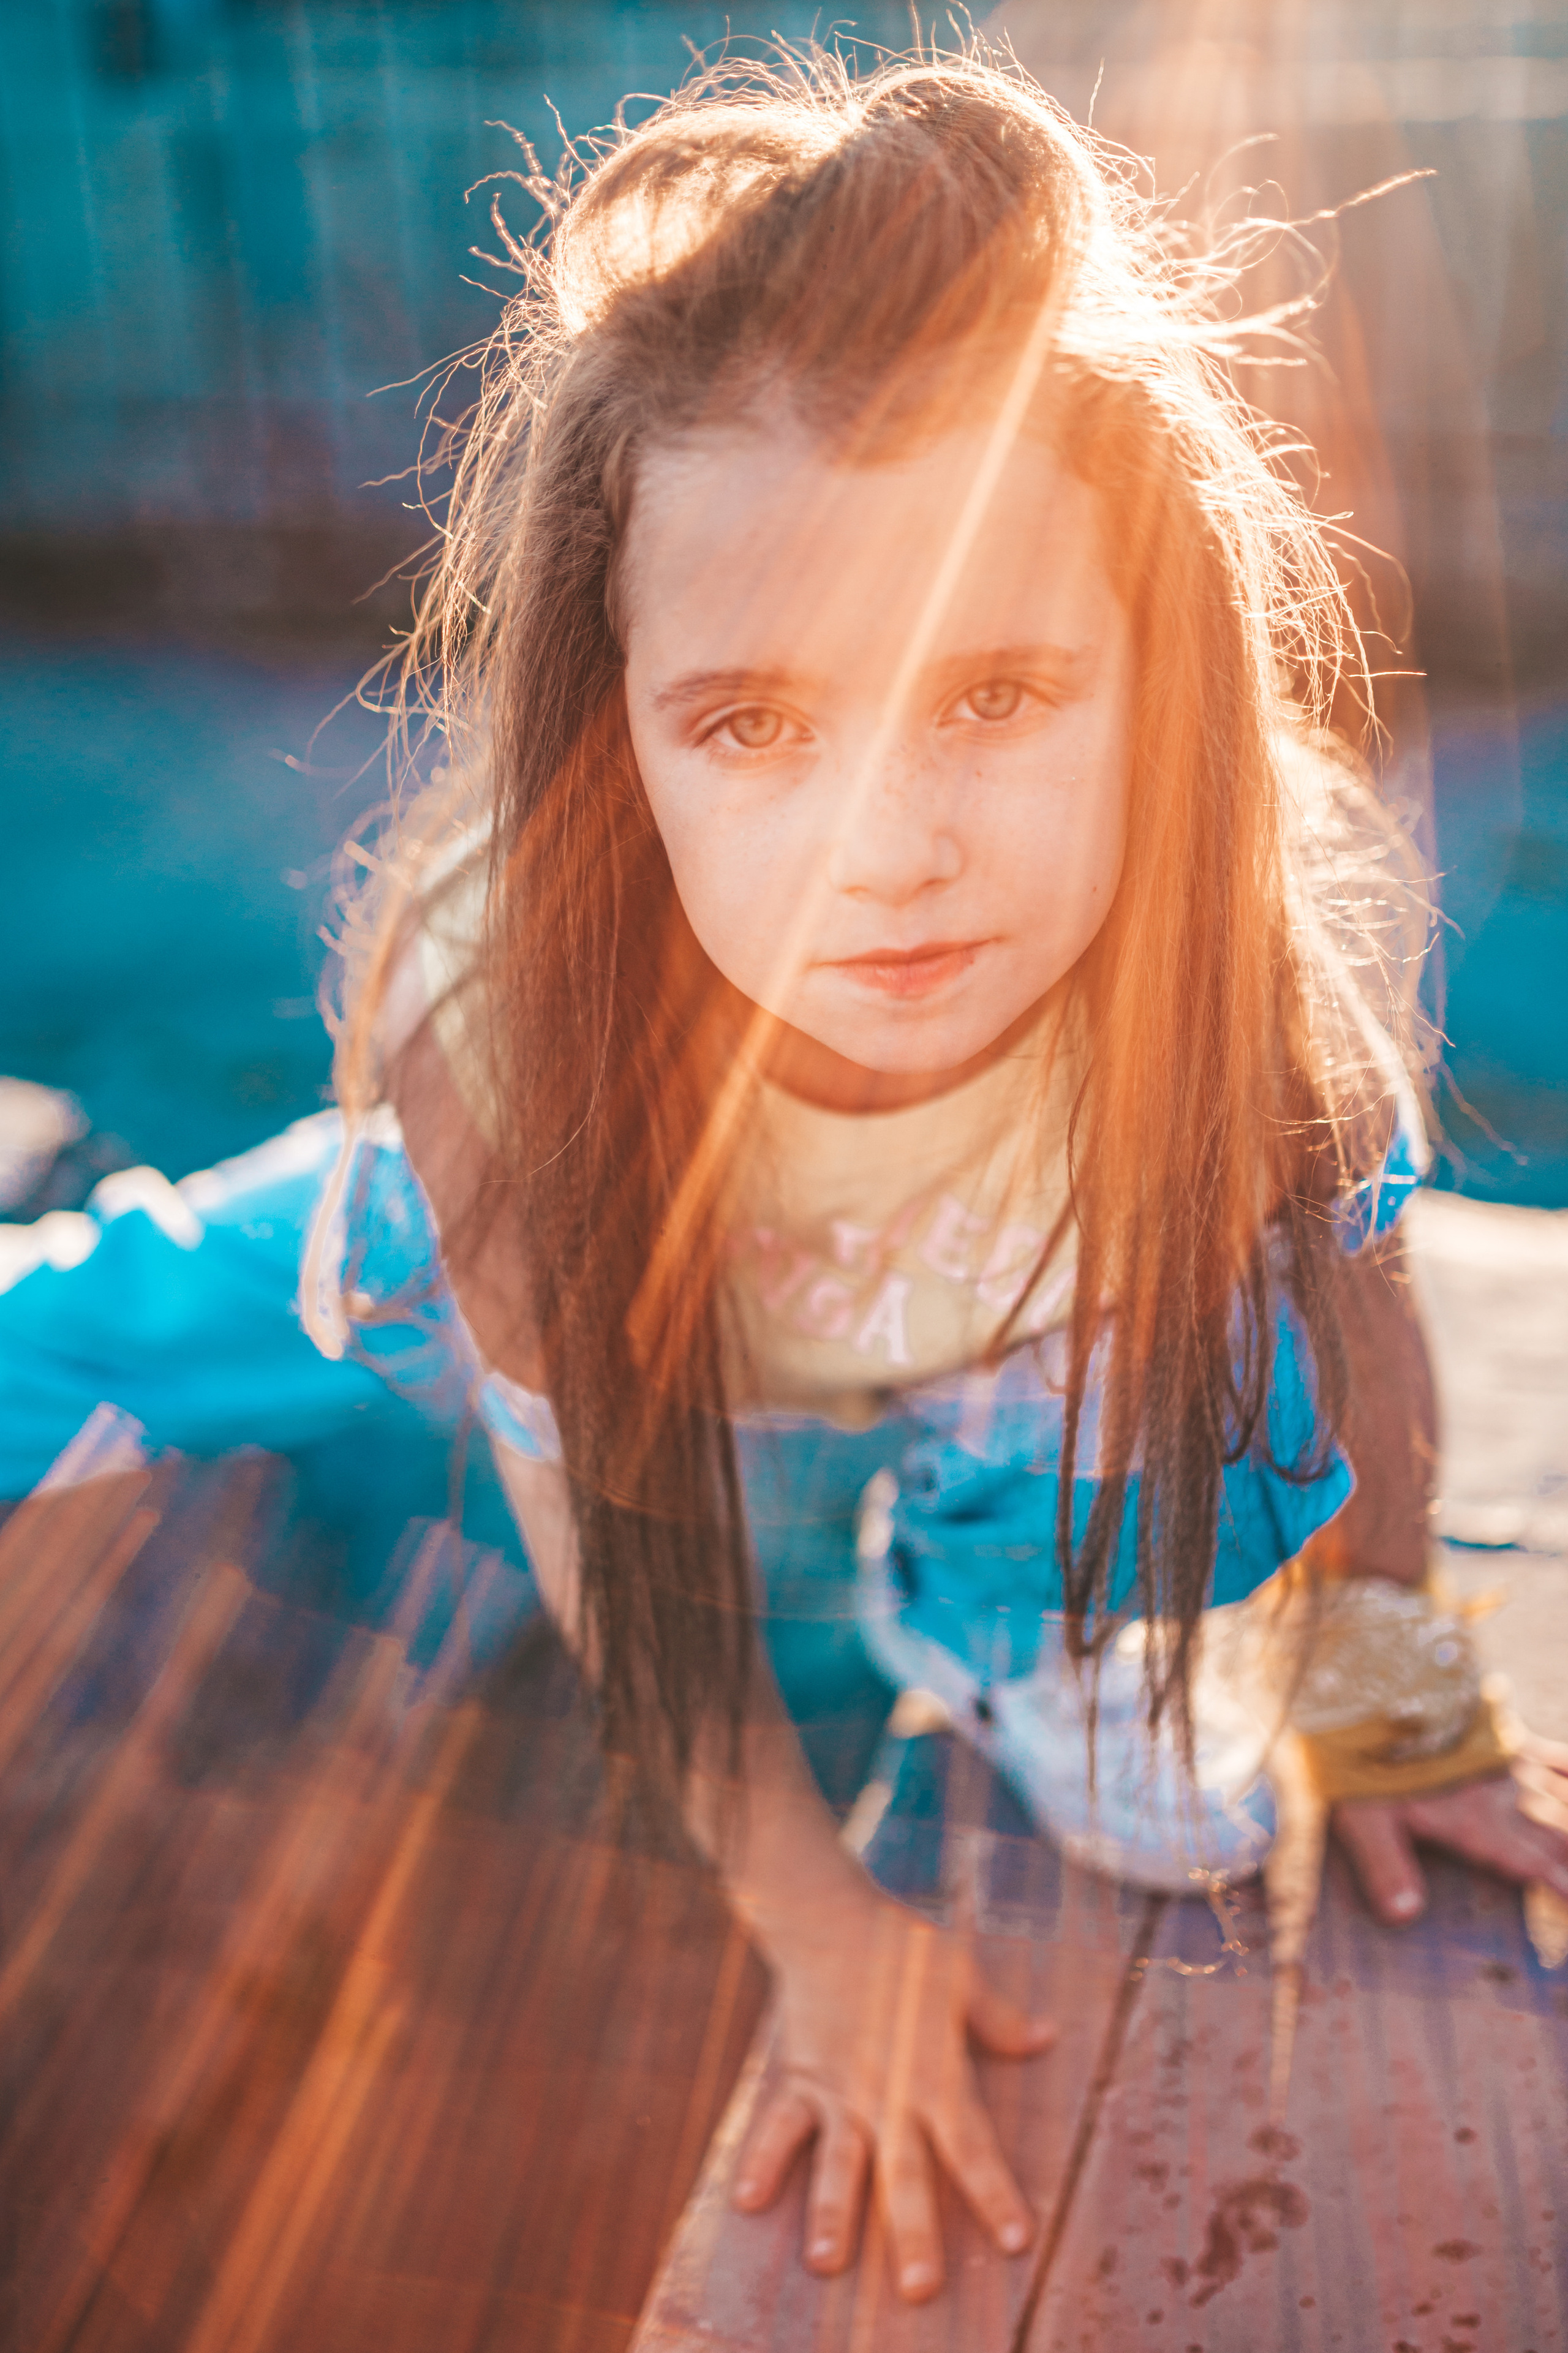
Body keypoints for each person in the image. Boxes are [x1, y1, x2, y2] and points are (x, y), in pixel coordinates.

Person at [3, 42, 1566, 2303]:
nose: (891, 852)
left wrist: (1392, 1692)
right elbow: (607, 1522)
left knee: (1248, 1381)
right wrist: (818, 1921)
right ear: (612, 738)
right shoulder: (505, 1053)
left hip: (1005, 1304)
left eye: (998, 692)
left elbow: (1364, 1317)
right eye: (752, 724)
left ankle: (1003, 1605)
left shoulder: (1218, 985)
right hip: (620, 1258)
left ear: (1161, 672)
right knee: (73, 1352)